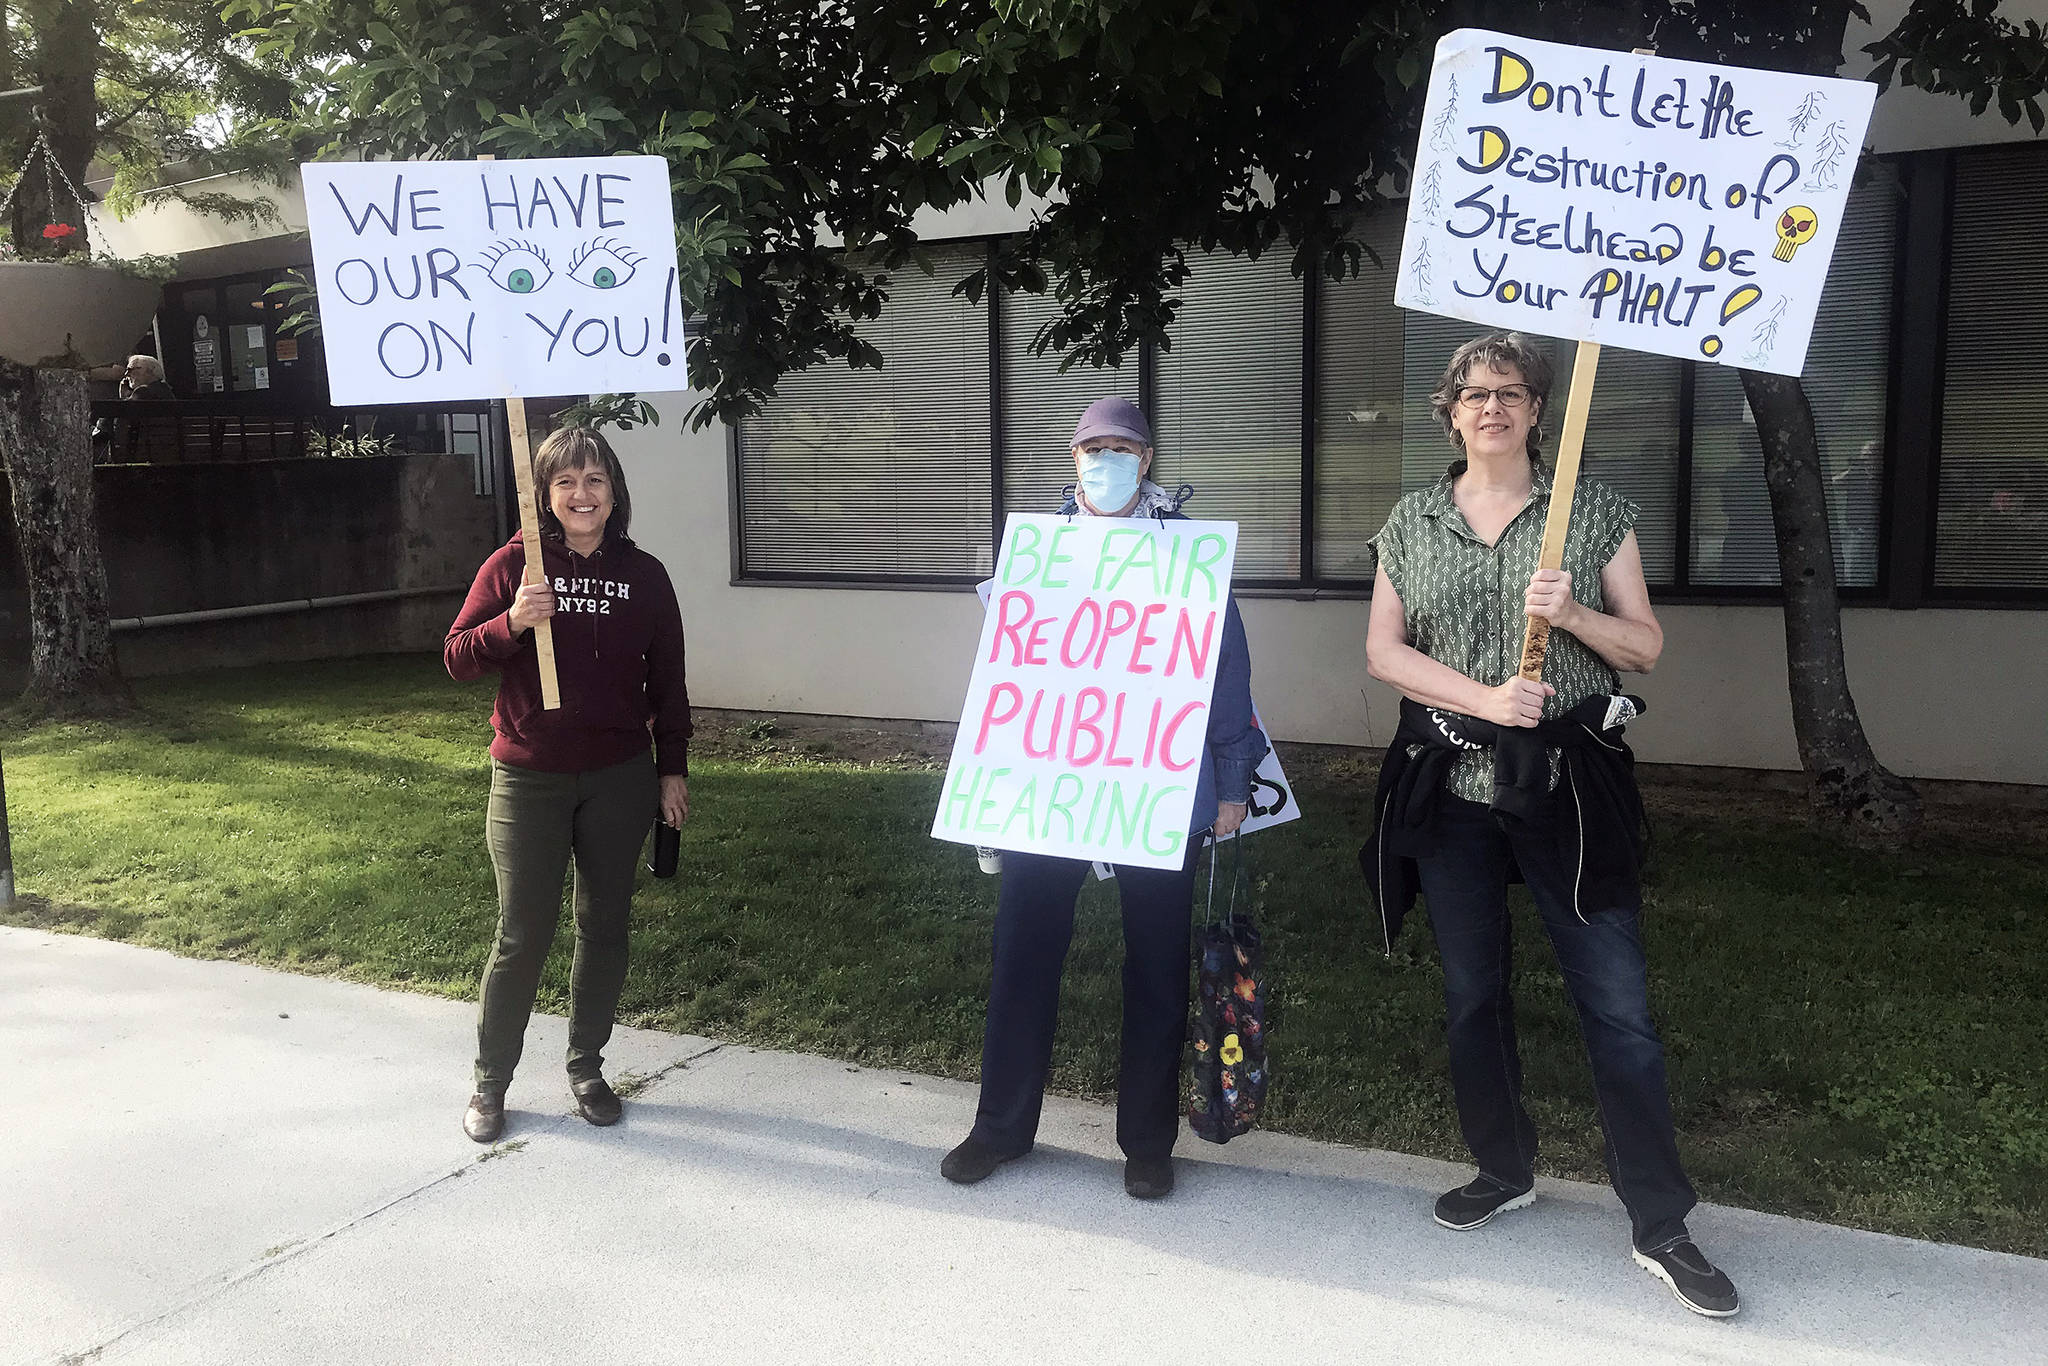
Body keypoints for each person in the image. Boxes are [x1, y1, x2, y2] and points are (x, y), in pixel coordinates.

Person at [1360, 332, 1740, 1318]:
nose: (1491, 407)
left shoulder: (1592, 511)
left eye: (1512, 392)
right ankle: (1502, 1164)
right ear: (1448, 410)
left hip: (1570, 790)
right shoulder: (1410, 521)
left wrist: (1571, 614)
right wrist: (1484, 702)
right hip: (1452, 795)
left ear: (1538, 410)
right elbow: (1383, 652)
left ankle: (1659, 1220)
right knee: (1471, 993)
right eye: (1474, 393)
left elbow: (1645, 647)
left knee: (1615, 1006)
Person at [941, 396, 1268, 1201]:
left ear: (1147, 460)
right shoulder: (1037, 553)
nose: (1106, 460)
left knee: (1156, 965)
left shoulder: (1190, 558)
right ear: (1073, 457)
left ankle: (1147, 1142)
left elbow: (1226, 676)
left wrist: (1232, 786)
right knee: (1022, 955)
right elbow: (1008, 679)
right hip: (1048, 790)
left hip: (1158, 792)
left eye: (1123, 447)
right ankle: (1000, 1127)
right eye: (1093, 447)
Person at [444, 426, 692, 1143]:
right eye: (565, 483)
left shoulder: (645, 576)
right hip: (529, 777)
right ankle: (491, 1084)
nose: (581, 495)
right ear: (544, 497)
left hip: (619, 776)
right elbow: (457, 657)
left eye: (595, 482)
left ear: (615, 494)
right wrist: (513, 622)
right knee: (522, 935)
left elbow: (667, 683)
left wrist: (671, 768)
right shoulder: (515, 565)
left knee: (605, 926)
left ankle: (587, 1067)